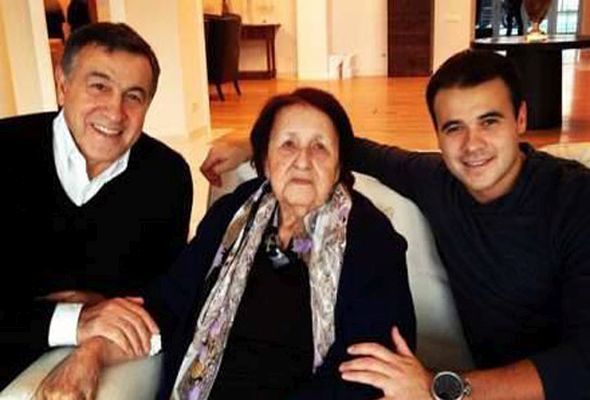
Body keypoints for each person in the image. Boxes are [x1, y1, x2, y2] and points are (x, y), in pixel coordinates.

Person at [200, 50, 590, 399]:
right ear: (437, 135)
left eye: (489, 121)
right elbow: (355, 148)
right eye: (454, 127)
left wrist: (444, 388)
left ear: (521, 118)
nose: (472, 145)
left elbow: (584, 361)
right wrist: (257, 143)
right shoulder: (437, 179)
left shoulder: (575, 199)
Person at [36, 88, 416, 400]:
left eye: (320, 147)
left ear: (339, 166)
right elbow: (169, 303)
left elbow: (368, 369)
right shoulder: (233, 213)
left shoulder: (371, 237)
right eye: (287, 144)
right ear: (265, 160)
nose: (302, 161)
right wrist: (93, 353)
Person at [0, 22, 192, 388]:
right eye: (99, 86)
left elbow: (158, 299)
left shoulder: (167, 176)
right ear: (63, 84)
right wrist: (78, 317)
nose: (115, 112)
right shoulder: (5, 152)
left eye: (134, 96)